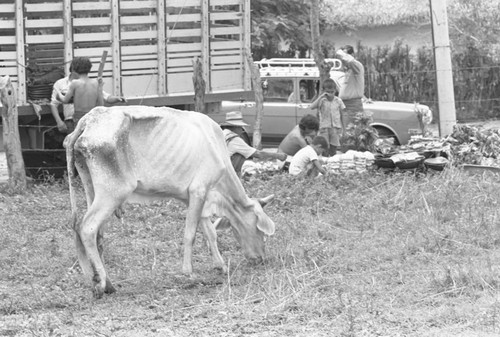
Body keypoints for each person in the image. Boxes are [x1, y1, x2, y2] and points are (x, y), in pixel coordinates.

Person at [50, 61, 126, 133]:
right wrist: (59, 121)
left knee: (76, 144)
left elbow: (107, 98)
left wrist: (117, 99)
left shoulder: (89, 83)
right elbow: (54, 104)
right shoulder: (60, 83)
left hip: (85, 117)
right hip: (72, 120)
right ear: (73, 70)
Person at [220, 111, 287, 175]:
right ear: (236, 127)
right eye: (241, 127)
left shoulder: (222, 134)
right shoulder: (235, 139)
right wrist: (278, 156)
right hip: (227, 173)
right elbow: (258, 154)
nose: (242, 130)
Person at [309, 78, 345, 156]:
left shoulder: (338, 101)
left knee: (333, 149)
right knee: (324, 148)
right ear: (324, 91)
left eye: (332, 92)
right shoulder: (322, 100)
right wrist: (321, 96)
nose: (330, 94)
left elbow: (342, 115)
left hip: (335, 128)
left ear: (335, 91)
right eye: (328, 92)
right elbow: (312, 107)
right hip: (324, 128)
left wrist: (343, 128)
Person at [336, 45, 365, 129]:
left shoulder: (357, 66)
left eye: (345, 56)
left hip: (352, 105)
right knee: (345, 133)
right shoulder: (348, 70)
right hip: (344, 105)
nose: (343, 59)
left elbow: (351, 61)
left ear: (351, 55)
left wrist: (340, 52)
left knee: (352, 132)